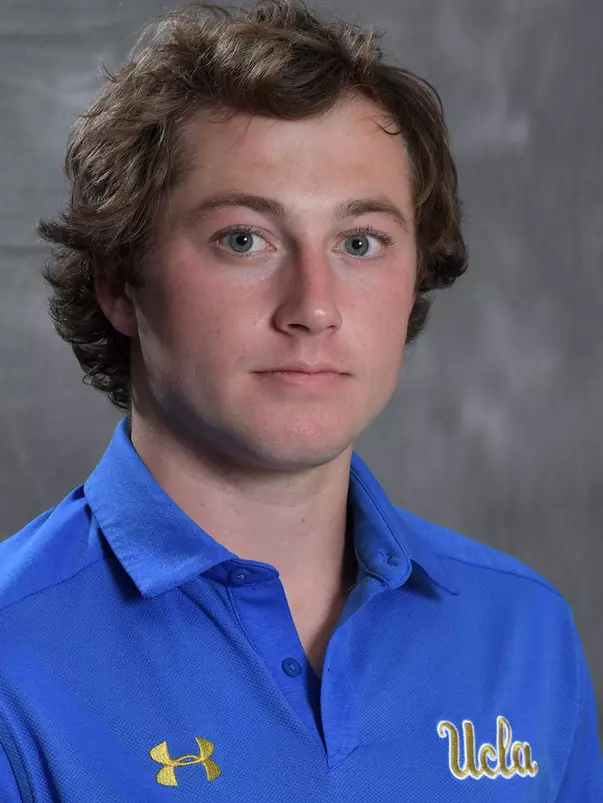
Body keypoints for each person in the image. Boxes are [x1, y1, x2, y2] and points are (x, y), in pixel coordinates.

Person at [1, 0, 601, 799]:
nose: (313, 305)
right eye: (243, 238)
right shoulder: (15, 654)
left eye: (359, 243)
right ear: (120, 285)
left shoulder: (522, 632)